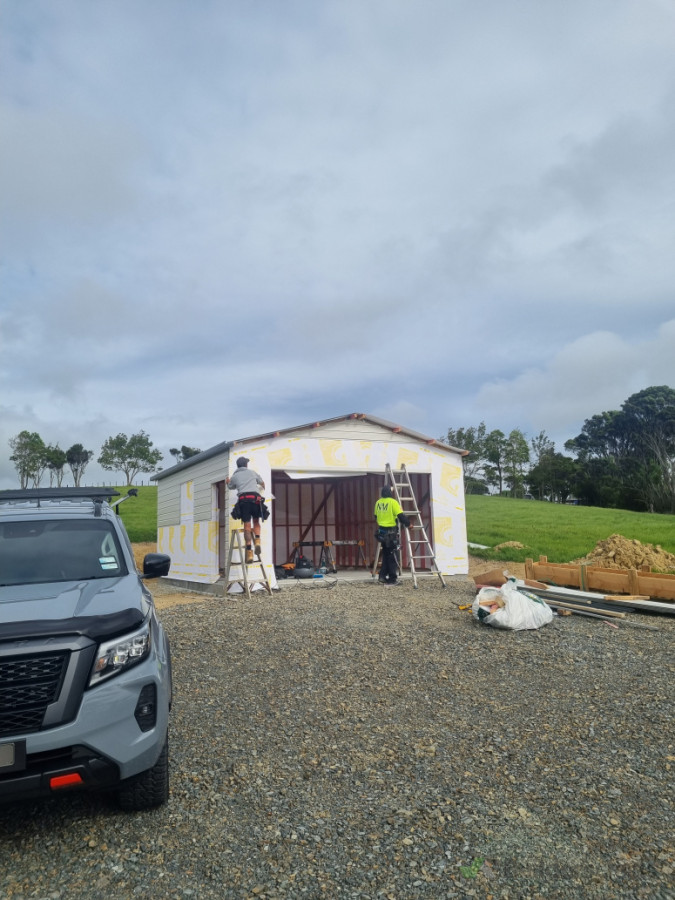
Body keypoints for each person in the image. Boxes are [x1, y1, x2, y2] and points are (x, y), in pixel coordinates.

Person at [226, 457, 266, 564]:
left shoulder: (235, 476)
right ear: (246, 465)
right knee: (256, 521)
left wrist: (227, 482)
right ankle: (257, 540)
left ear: (238, 466)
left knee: (247, 525)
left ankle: (249, 551)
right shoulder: (253, 473)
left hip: (244, 501)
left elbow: (230, 487)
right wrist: (263, 488)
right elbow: (262, 483)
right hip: (255, 499)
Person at [374, 485, 410, 585]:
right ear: (390, 493)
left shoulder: (378, 502)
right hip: (391, 534)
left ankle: (382, 576)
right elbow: (401, 516)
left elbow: (375, 516)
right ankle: (392, 579)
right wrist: (408, 524)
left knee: (386, 555)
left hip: (382, 533)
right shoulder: (393, 502)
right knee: (393, 556)